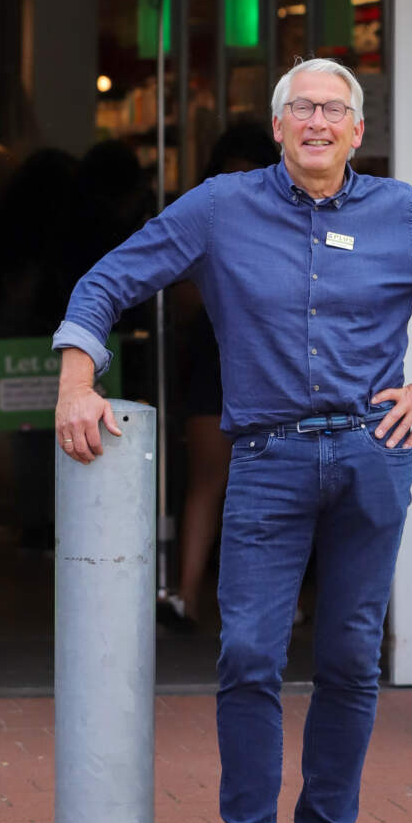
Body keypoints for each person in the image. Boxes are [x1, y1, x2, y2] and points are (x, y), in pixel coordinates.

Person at [53, 57, 412, 823]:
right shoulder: (219, 208)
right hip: (267, 460)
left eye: (334, 109)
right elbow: (105, 282)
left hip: (371, 454)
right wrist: (77, 381)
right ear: (276, 128)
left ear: (357, 132)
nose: (317, 121)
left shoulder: (399, 214)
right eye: (301, 107)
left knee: (350, 661)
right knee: (247, 658)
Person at [160, 118, 279, 633]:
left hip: (278, 370)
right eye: (232, 176)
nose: (241, 187)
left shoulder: (291, 218)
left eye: (251, 175)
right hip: (218, 364)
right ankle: (186, 594)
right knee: (210, 482)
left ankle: (275, 602)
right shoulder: (205, 218)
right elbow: (178, 296)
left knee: (282, 488)